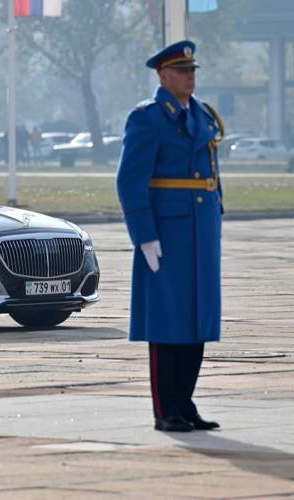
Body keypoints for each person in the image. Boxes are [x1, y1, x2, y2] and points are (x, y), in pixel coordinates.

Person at [116, 40, 225, 433]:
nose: (190, 77)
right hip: (167, 232)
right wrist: (144, 234)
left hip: (200, 232)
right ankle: (166, 410)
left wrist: (216, 218)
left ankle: (186, 404)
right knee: (167, 322)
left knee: (195, 321)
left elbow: (211, 175)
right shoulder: (148, 118)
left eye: (192, 70)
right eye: (182, 71)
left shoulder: (202, 115)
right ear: (163, 76)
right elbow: (130, 181)